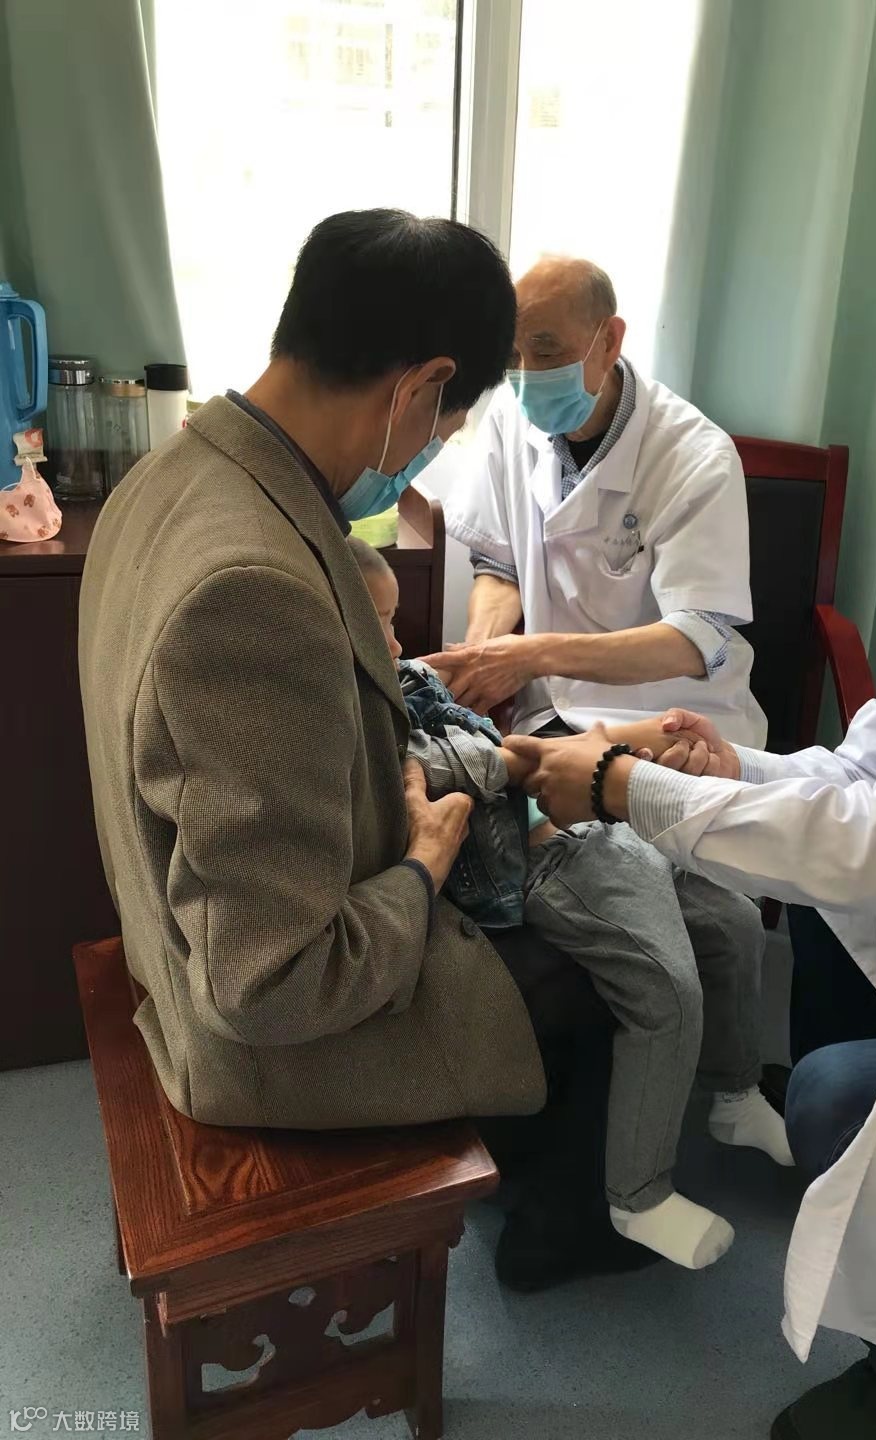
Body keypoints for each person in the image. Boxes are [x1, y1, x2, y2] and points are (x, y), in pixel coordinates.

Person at [505, 345, 876, 1438]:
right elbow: (861, 775)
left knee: (833, 1093)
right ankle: (851, 1169)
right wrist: (724, 767)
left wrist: (627, 787)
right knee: (808, 917)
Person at [78, 209, 643, 1292]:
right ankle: (563, 1227)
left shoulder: (170, 476)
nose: (430, 450)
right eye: (447, 424)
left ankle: (523, 1167)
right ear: (421, 386)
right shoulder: (251, 589)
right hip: (255, 1031)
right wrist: (424, 863)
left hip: (175, 921)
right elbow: (276, 985)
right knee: (605, 958)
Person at [349, 534, 791, 1270]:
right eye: (380, 626)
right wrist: (602, 752)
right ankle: (638, 1196)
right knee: (666, 985)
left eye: (396, 623)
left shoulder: (401, 679)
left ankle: (736, 1093)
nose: (397, 644)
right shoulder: (357, 727)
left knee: (735, 920)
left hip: (585, 825)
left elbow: (462, 713)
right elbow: (471, 766)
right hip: (541, 862)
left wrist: (610, 752)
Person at [426, 254, 767, 747]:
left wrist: (532, 656)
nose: (526, 374)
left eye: (546, 352)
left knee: (576, 793)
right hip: (549, 717)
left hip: (672, 721)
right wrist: (480, 657)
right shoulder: (508, 415)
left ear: (608, 341)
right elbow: (500, 570)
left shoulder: (697, 456)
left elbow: (696, 640)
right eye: (512, 357)